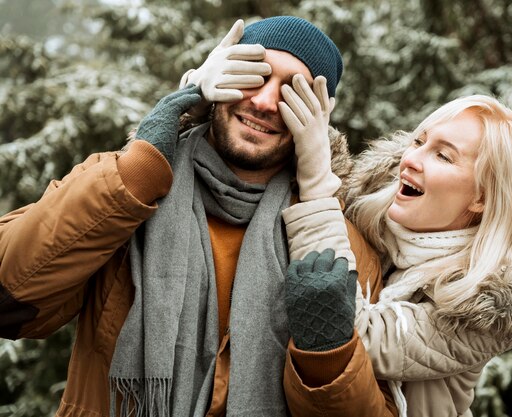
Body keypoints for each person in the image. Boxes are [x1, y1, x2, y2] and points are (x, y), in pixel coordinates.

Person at [0, 17, 398, 417]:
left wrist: (326, 352)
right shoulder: (125, 196)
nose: (262, 102)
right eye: (253, 74)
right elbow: (11, 299)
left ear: (317, 116)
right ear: (217, 77)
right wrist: (141, 166)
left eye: (291, 91)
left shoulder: (338, 248)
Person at [282, 94, 512, 416]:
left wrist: (316, 189)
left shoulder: (487, 305)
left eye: (443, 156)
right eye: (419, 141)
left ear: (482, 198)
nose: (409, 160)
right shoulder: (375, 221)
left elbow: (346, 329)